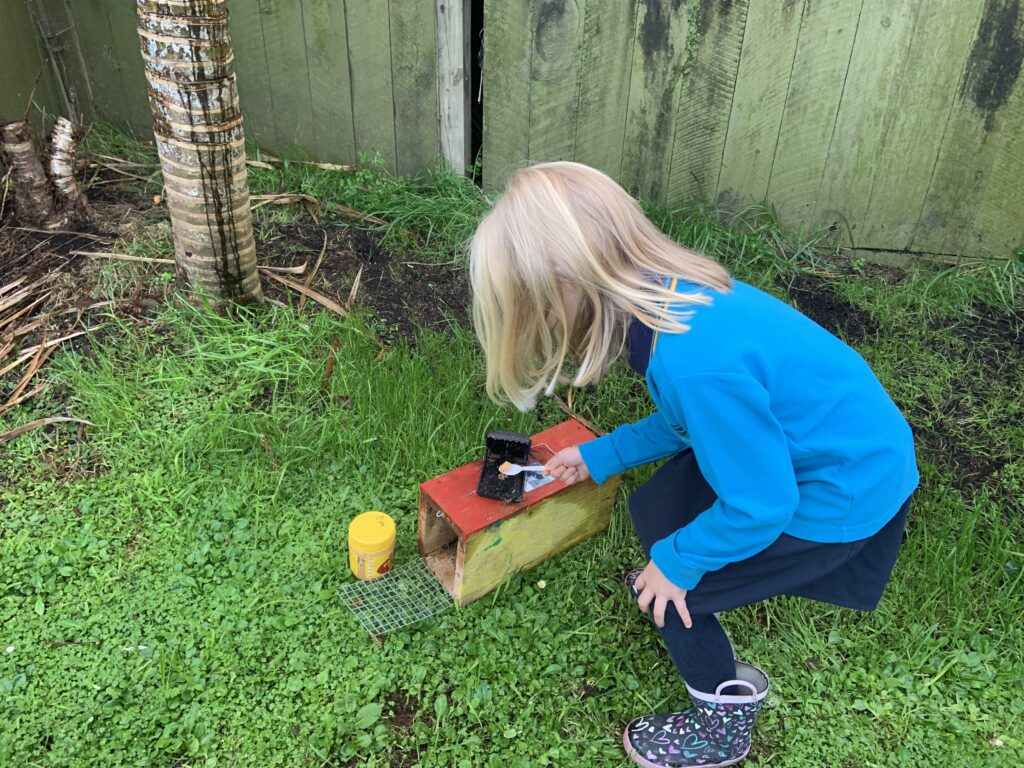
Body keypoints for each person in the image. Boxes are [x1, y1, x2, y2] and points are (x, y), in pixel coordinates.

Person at [469, 161, 918, 768]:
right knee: (658, 509)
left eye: (538, 308)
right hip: (818, 450)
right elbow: (687, 420)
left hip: (841, 485)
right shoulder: (674, 303)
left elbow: (764, 504)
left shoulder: (692, 361)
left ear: (566, 283)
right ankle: (677, 573)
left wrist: (678, 566)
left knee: (683, 591)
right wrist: (598, 456)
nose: (544, 323)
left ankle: (722, 722)